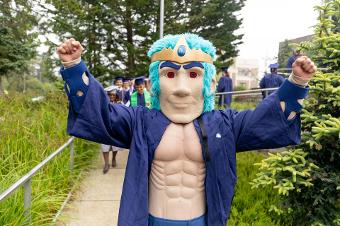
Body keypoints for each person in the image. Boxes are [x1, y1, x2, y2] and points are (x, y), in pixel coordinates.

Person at [57, 34, 316, 226]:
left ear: (209, 83)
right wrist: (74, 67)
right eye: (170, 75)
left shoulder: (224, 124)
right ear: (155, 84)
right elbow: (100, 114)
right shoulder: (141, 122)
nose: (181, 88)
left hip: (202, 220)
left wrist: (295, 83)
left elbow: (264, 120)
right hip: (152, 219)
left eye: (193, 75)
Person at [101, 86, 122, 173]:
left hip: (115, 127)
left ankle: (113, 158)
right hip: (105, 127)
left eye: (113, 95)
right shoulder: (102, 103)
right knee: (104, 146)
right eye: (110, 95)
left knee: (115, 146)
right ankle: (106, 163)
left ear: (116, 95)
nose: (111, 96)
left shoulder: (120, 103)